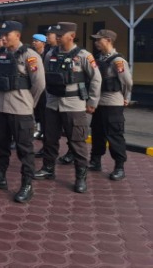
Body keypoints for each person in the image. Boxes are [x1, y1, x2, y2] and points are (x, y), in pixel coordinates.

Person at [0, 21, 45, 203]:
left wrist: (28, 102)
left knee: (25, 149)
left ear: (17, 34)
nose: (3, 37)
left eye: (6, 34)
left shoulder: (30, 56)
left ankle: (27, 185)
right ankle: (0, 177)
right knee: (2, 146)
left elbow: (39, 84)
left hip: (21, 110)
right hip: (1, 108)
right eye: (2, 34)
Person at [34, 22, 102, 193]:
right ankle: (48, 168)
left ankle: (80, 177)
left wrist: (92, 102)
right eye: (55, 35)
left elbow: (96, 79)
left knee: (77, 142)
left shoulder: (84, 56)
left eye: (60, 35)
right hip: (52, 104)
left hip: (74, 105)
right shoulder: (50, 54)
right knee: (49, 139)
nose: (56, 38)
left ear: (71, 36)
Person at [89, 29, 133, 181]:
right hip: (98, 103)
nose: (96, 43)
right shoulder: (98, 58)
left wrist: (125, 97)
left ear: (108, 40)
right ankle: (95, 161)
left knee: (114, 135)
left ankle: (119, 167)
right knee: (97, 133)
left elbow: (127, 82)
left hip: (112, 103)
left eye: (98, 40)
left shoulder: (118, 61)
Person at [31, 34, 48, 143]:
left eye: (36, 41)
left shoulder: (47, 55)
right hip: (35, 86)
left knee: (43, 111)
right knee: (36, 110)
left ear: (43, 43)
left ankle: (44, 131)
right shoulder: (32, 55)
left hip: (45, 88)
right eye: (33, 41)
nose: (34, 43)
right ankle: (38, 129)